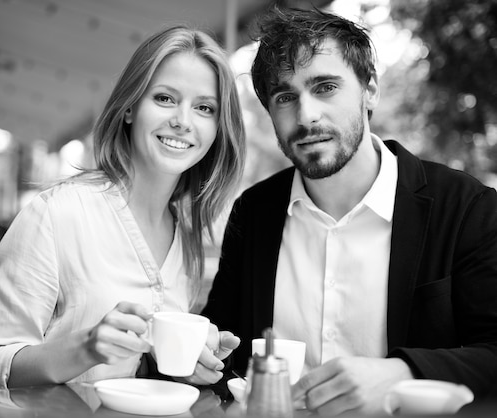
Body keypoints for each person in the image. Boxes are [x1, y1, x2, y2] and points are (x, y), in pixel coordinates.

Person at [202, 7, 497, 415]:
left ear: (370, 89)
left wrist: (405, 372)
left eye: (324, 87)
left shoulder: (465, 207)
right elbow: (221, 347)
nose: (306, 116)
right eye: (285, 97)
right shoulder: (252, 214)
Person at [0, 24, 245, 392]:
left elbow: (140, 373)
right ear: (130, 108)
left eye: (204, 108)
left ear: (217, 129)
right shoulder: (56, 215)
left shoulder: (187, 241)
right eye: (164, 98)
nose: (182, 120)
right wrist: (86, 347)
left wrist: (181, 366)